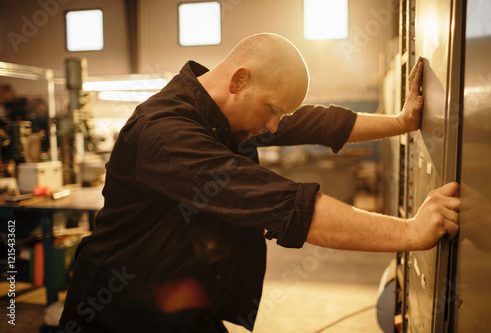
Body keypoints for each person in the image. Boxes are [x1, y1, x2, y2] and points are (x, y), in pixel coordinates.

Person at [59, 33, 460, 333]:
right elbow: (283, 205)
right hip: (117, 317)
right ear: (238, 80)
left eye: (279, 117)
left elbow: (316, 122)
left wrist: (403, 122)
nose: (272, 127)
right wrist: (410, 232)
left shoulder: (226, 110)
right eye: (272, 111)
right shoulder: (165, 134)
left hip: (181, 306)